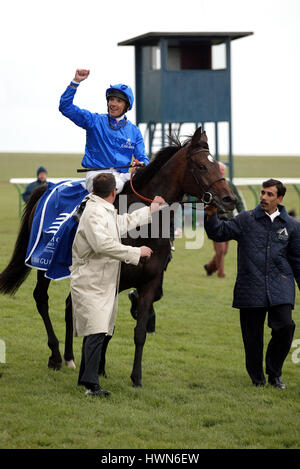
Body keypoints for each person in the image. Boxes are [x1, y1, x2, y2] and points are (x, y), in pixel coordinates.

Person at [70, 173, 165, 397]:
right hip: (91, 280)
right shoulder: (94, 213)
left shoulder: (102, 208)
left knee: (99, 329)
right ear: (114, 192)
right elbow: (103, 245)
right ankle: (91, 386)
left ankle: (85, 378)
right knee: (96, 329)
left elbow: (122, 223)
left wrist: (150, 210)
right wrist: (136, 252)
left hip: (103, 280)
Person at [204, 179, 300, 389]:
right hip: (251, 285)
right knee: (252, 339)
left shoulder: (292, 226)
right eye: (263, 193)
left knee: (286, 326)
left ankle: (274, 373)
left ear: (280, 199)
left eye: (269, 194)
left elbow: (297, 260)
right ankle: (258, 379)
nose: (264, 197)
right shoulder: (245, 219)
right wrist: (211, 215)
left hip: (280, 285)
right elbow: (219, 232)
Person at [59, 69, 149, 193]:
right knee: (114, 184)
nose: (113, 103)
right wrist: (75, 82)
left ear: (127, 106)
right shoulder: (94, 121)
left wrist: (141, 164)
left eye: (118, 101)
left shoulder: (134, 132)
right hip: (97, 176)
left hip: (122, 176)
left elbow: (143, 158)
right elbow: (65, 107)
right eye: (111, 99)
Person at [204, 162, 245, 277]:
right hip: (215, 220)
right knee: (220, 250)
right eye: (219, 170)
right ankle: (221, 273)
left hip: (229, 220)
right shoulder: (211, 186)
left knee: (224, 251)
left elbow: (238, 202)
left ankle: (209, 266)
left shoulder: (230, 185)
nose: (221, 172)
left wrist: (243, 215)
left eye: (223, 170)